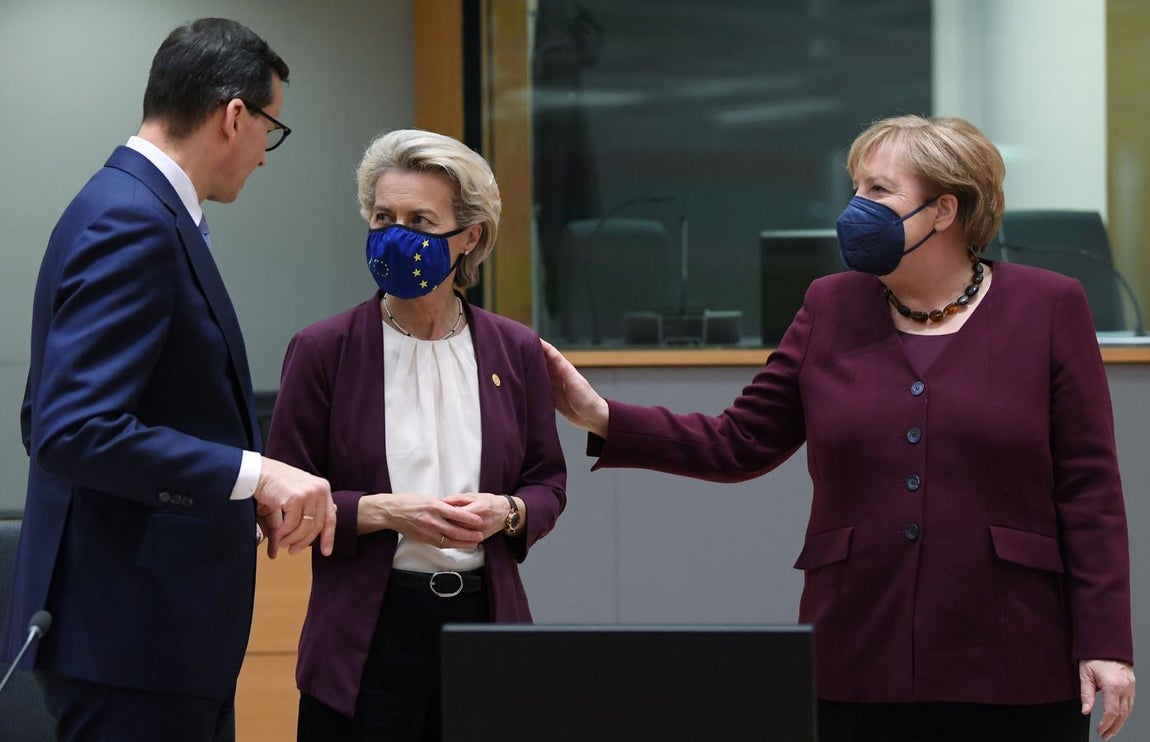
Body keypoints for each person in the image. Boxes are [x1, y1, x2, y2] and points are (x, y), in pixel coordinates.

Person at [542, 115, 1135, 742]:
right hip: (858, 651)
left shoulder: (1049, 306)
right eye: (854, 190)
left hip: (1013, 652)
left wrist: (1106, 642)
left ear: (944, 210)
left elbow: (1089, 490)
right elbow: (737, 441)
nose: (855, 209)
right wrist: (599, 415)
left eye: (878, 192)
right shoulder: (829, 305)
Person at [3, 18, 336, 742]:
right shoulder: (135, 221)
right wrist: (252, 475)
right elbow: (72, 430)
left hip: (140, 637)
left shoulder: (119, 203)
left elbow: (43, 416)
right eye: (269, 131)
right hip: (135, 641)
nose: (263, 158)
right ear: (235, 115)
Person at [266, 128, 567, 741]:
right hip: (365, 635)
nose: (396, 235)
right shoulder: (324, 350)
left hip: (485, 625)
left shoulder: (514, 350)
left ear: (469, 237)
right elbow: (278, 503)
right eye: (383, 217)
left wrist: (506, 513)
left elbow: (548, 483)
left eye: (420, 220)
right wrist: (383, 512)